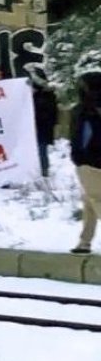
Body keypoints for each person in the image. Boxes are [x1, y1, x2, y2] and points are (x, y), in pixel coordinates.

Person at [70, 72, 101, 255]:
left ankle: (84, 242)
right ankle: (84, 242)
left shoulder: (85, 110)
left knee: (96, 199)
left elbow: (81, 137)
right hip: (91, 160)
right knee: (89, 203)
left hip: (88, 162)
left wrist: (79, 156)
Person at [31, 74, 59, 178]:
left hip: (43, 127)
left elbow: (52, 112)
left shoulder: (48, 95)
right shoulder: (36, 95)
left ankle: (44, 170)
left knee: (41, 149)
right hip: (37, 127)